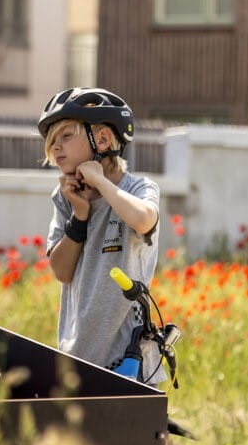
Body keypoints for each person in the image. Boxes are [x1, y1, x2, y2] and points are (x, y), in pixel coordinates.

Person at [39, 87, 164, 383]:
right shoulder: (64, 197)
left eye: (66, 136)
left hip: (129, 357)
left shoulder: (138, 189)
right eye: (51, 141)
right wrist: (79, 215)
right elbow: (61, 270)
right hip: (76, 353)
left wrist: (99, 181)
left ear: (104, 139)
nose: (56, 147)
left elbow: (144, 220)